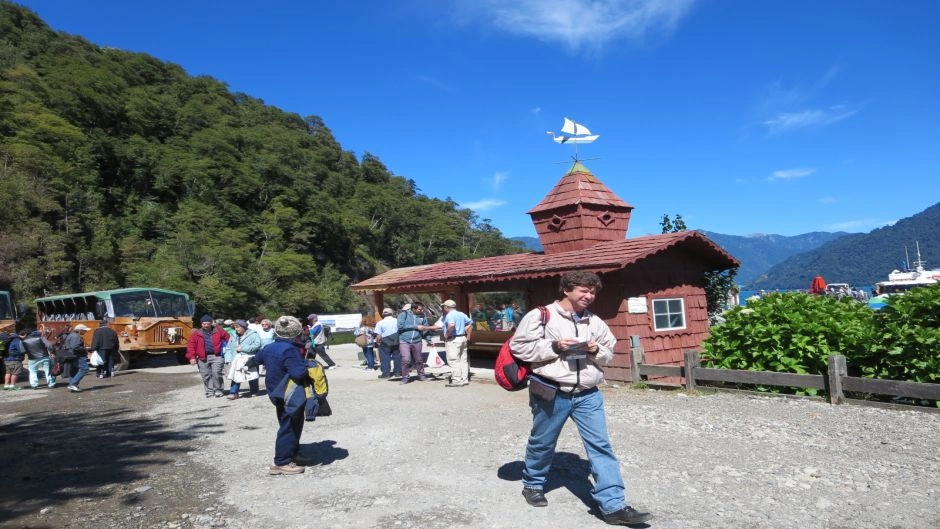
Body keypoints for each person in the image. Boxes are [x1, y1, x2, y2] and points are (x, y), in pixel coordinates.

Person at [510, 271, 652, 525]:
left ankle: (613, 506)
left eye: (593, 292)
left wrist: (597, 350)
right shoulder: (541, 316)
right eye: (583, 291)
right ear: (567, 290)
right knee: (543, 442)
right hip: (551, 390)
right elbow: (519, 347)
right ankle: (532, 484)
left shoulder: (595, 322)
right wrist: (555, 347)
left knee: (600, 446)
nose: (589, 296)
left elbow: (610, 351)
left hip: (588, 393)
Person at [245, 315, 311, 475]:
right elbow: (298, 372)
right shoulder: (290, 350)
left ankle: (292, 452)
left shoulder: (269, 347)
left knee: (292, 422)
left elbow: (256, 359)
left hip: (275, 391)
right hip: (289, 392)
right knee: (289, 425)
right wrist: (307, 364)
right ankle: (282, 461)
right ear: (296, 333)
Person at [186, 314, 229, 398]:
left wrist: (228, 351)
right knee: (205, 374)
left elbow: (229, 339)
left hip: (217, 356)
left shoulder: (219, 331)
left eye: (207, 323)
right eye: (203, 324)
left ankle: (218, 389)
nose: (205, 325)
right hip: (202, 357)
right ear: (201, 324)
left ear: (211, 323)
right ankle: (210, 391)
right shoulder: (196, 333)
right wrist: (192, 357)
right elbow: (191, 346)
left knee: (216, 373)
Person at [439, 300, 473, 387]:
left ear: (447, 307)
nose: (443, 308)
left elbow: (451, 325)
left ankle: (457, 380)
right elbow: (470, 322)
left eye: (444, 306)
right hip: (462, 337)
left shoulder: (449, 315)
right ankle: (464, 379)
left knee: (454, 360)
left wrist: (447, 334)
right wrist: (464, 330)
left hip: (453, 339)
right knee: (463, 360)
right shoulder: (461, 314)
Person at [227, 319, 262, 399]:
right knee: (235, 375)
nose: (236, 329)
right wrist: (228, 359)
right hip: (237, 358)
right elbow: (229, 347)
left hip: (250, 358)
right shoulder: (233, 335)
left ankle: (254, 391)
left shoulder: (254, 334)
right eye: (235, 327)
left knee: (252, 375)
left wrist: (243, 348)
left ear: (243, 327)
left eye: (237, 327)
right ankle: (234, 392)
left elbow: (258, 345)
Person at [397, 302, 431, 384]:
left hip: (417, 340)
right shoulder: (403, 315)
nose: (422, 310)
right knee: (406, 360)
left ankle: (422, 375)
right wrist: (416, 327)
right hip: (404, 340)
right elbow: (400, 326)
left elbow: (425, 328)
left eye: (422, 309)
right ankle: (405, 377)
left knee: (419, 359)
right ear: (413, 309)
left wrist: (429, 340)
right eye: (420, 309)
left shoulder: (423, 317)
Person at [61, 324, 92, 393]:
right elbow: (75, 347)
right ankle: (73, 384)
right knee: (84, 369)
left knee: (73, 371)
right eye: (84, 331)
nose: (85, 332)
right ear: (80, 330)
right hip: (77, 355)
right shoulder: (76, 336)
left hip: (71, 355)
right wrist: (85, 349)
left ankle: (73, 386)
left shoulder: (72, 335)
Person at [374, 307, 400, 379]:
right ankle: (398, 372)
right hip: (396, 341)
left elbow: (378, 336)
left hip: (385, 342)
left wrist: (378, 342)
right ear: (392, 313)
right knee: (397, 356)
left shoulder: (380, 322)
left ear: (383, 314)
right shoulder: (397, 321)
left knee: (385, 357)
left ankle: (386, 373)